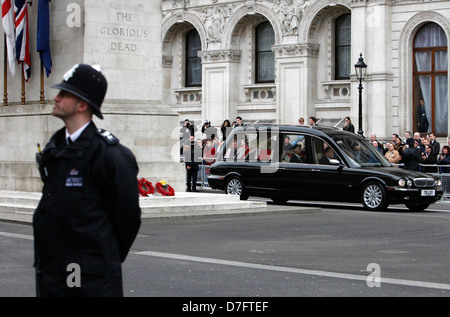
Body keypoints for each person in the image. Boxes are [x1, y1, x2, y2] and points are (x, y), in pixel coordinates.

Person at [33, 64, 141, 297]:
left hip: (89, 276)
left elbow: (127, 219)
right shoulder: (56, 149)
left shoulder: (109, 155)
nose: (56, 98)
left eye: (64, 94)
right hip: (52, 272)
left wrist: (101, 257)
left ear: (82, 105)